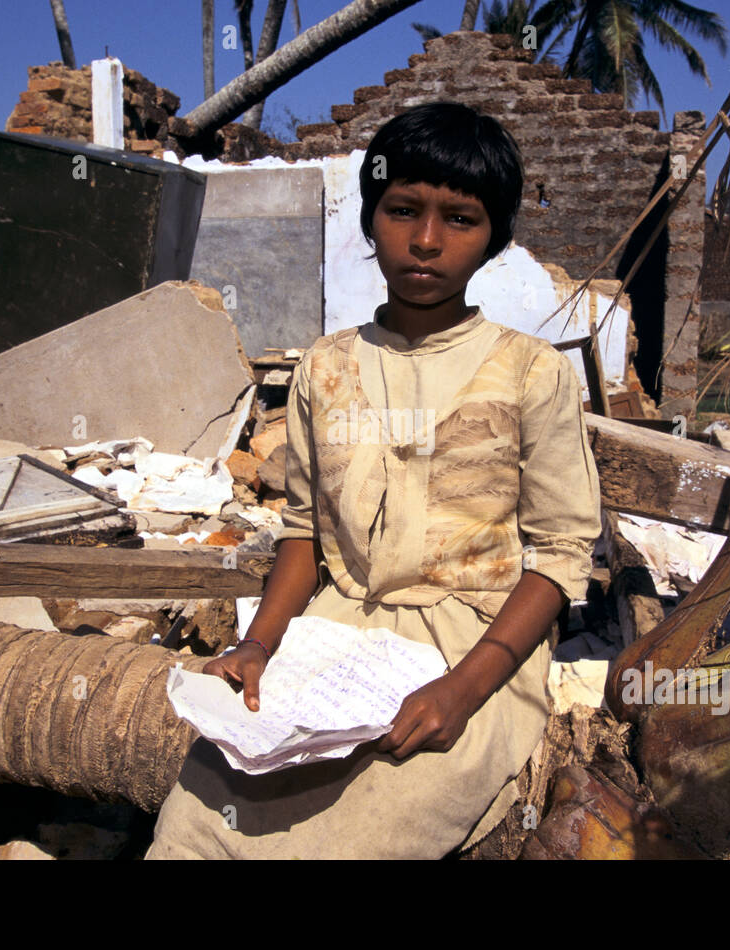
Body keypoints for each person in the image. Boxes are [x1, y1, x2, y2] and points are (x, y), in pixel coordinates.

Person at [147, 102, 602, 859]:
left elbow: (560, 556)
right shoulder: (323, 368)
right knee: (196, 825)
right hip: (331, 639)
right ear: (369, 217)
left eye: (461, 219)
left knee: (358, 834)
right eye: (402, 211)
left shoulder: (533, 372)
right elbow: (304, 534)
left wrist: (463, 690)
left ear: (497, 239)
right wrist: (261, 645)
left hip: (472, 648)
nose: (426, 240)